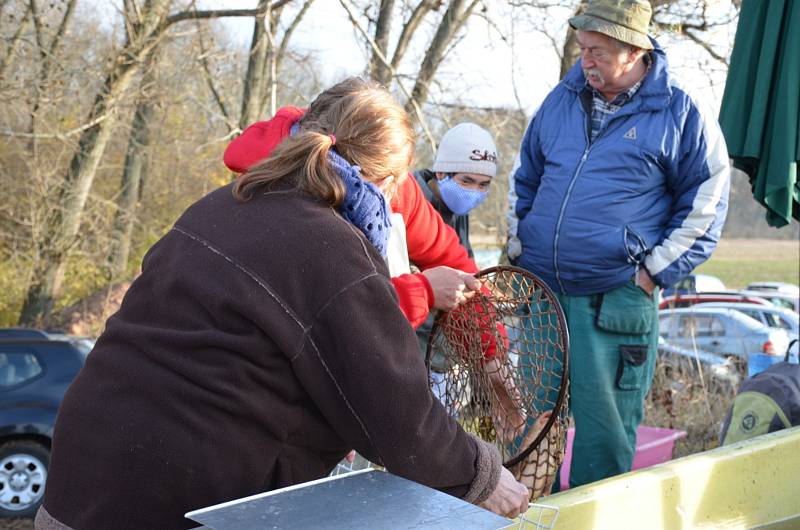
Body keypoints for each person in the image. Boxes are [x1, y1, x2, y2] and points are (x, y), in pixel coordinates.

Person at [38, 78, 530, 529]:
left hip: (77, 477)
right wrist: (483, 476)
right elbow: (397, 417)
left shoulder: (221, 204)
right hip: (172, 498)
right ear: (386, 183)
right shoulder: (333, 249)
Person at [506, 0, 730, 489]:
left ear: (634, 51)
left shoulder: (681, 111)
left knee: (602, 439)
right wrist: (517, 239)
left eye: (598, 51)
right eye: (583, 48)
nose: (584, 59)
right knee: (529, 429)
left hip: (614, 301)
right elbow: (526, 175)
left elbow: (709, 201)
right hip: (542, 293)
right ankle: (521, 519)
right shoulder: (560, 99)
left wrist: (654, 271)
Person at [224, 93, 481, 329]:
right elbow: (337, 322)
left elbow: (451, 258)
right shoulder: (294, 210)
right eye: (394, 181)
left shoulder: (396, 185)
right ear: (373, 176)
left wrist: (491, 351)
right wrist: (422, 292)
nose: (397, 190)